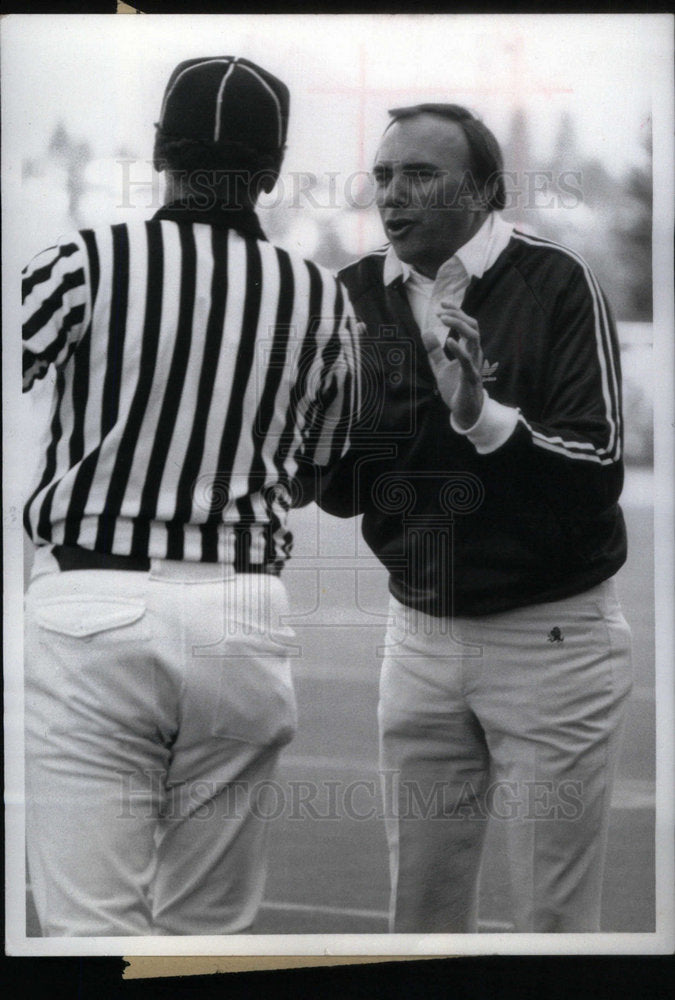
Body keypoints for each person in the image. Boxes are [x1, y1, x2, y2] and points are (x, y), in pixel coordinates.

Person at [22, 56, 359, 937]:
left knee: (91, 929)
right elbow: (319, 470)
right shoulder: (320, 299)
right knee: (202, 937)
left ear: (160, 151)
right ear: (273, 169)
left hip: (92, 601)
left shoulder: (84, 264)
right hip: (240, 615)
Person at [318, 103, 633, 933]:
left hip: (551, 640)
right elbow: (341, 490)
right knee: (417, 917)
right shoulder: (350, 297)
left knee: (553, 923)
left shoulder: (557, 281)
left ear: (485, 189)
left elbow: (594, 475)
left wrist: (479, 415)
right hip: (416, 637)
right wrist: (304, 435)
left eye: (419, 174)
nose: (392, 194)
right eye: (383, 176)